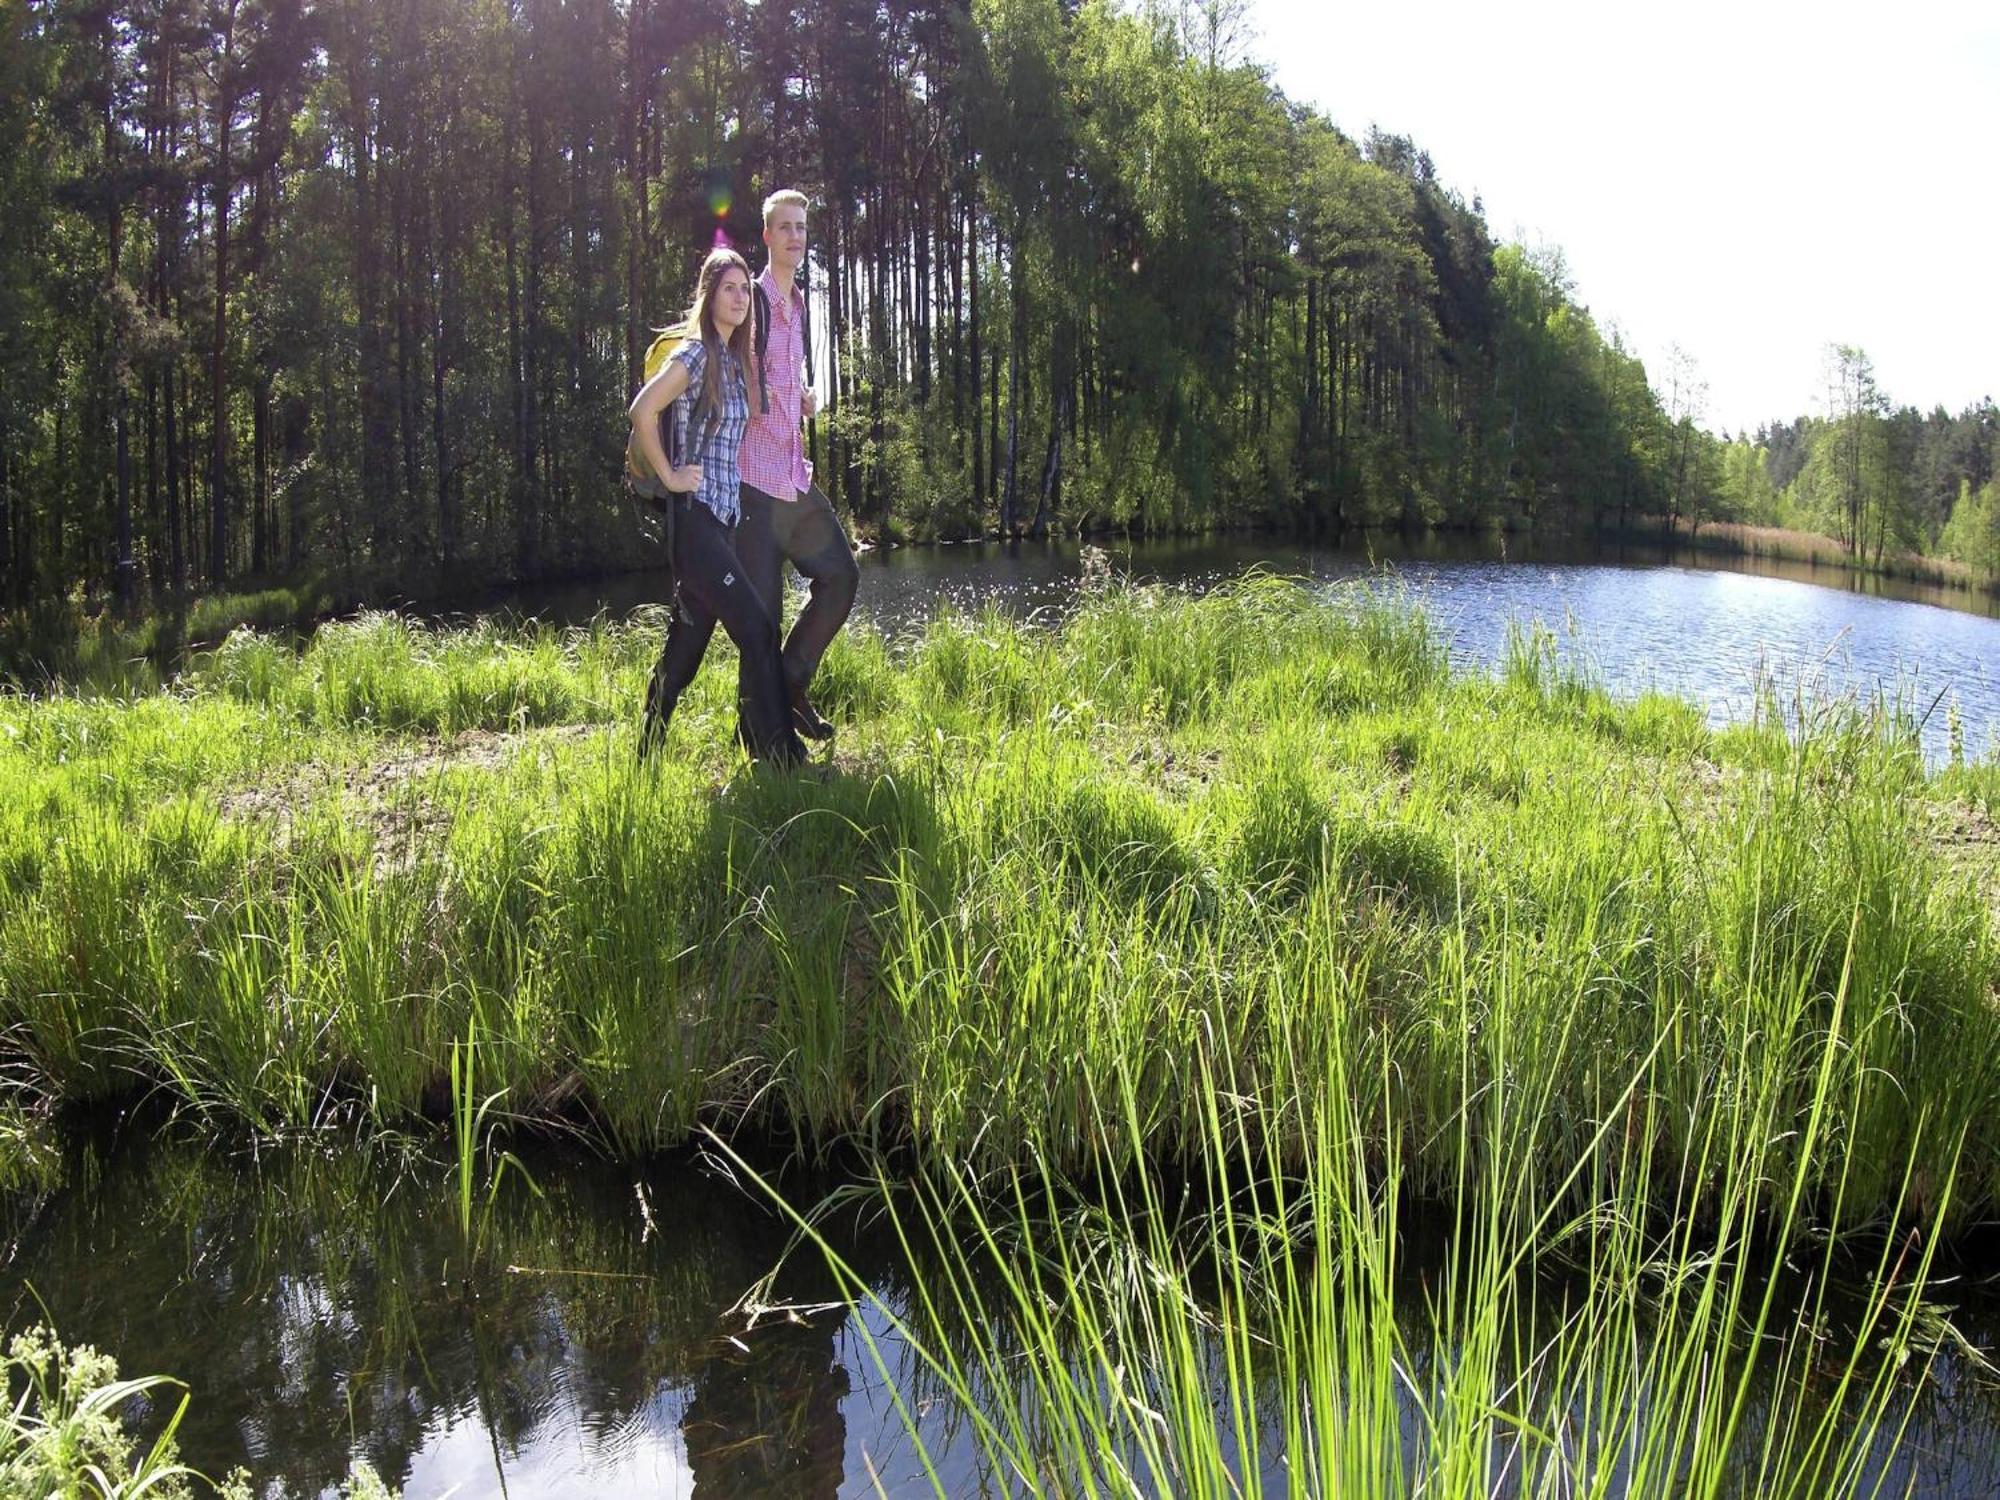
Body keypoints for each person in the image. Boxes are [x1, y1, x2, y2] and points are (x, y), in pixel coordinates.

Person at [630, 247, 807, 767]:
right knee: (757, 628)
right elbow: (642, 409)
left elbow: (763, 410)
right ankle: (783, 758)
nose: (739, 298)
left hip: (720, 526)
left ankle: (645, 756)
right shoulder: (696, 355)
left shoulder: (731, 361)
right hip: (695, 524)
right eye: (728, 288)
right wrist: (670, 477)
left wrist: (800, 398)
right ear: (709, 297)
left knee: (683, 656)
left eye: (743, 291)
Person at [734, 189, 859, 743]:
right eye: (784, 227)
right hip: (754, 489)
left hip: (793, 477)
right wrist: (763, 397)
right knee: (760, 622)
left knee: (841, 576)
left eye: (802, 228)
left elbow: (780, 381)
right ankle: (760, 737)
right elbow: (737, 381)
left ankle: (788, 688)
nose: (795, 237)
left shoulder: (800, 302)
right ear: (766, 236)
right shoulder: (752, 302)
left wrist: (801, 397)